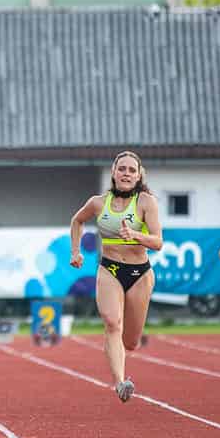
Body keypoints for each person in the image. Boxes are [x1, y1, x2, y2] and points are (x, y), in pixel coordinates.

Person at [66, 151, 161, 403]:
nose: (126, 174)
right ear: (113, 172)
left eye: (131, 170)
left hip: (139, 273)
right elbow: (77, 220)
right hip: (110, 269)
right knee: (111, 323)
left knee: (131, 341)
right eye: (122, 169)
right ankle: (120, 383)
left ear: (138, 175)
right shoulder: (98, 202)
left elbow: (158, 242)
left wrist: (135, 235)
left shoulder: (146, 202)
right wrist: (75, 251)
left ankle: (125, 354)